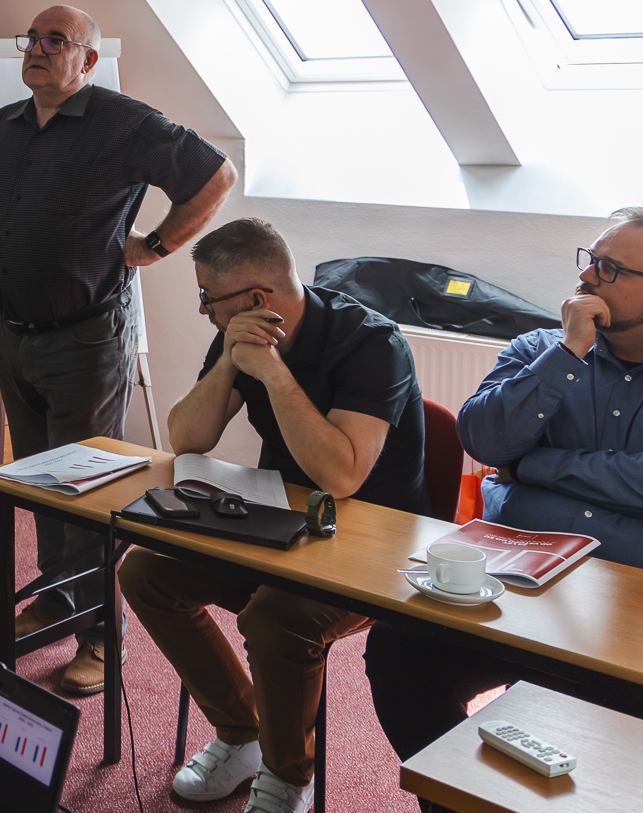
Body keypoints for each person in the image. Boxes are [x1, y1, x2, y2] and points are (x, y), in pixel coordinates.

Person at [363, 207, 643, 813]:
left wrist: (534, 466)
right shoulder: (539, 350)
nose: (587, 276)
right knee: (400, 651)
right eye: (590, 260)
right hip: (520, 588)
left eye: (611, 268)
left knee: (638, 768)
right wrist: (570, 352)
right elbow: (484, 441)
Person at [0, 4, 234, 695]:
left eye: (55, 40)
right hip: (14, 335)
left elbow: (215, 177)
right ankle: (60, 598)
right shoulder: (2, 127)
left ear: (88, 59)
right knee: (40, 482)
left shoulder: (125, 123)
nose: (37, 49)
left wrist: (156, 246)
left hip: (86, 338)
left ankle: (102, 637)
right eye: (31, 39)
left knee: (88, 490)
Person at [120, 218, 427, 813]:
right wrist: (229, 364)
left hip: (376, 547)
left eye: (208, 296)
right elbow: (186, 439)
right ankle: (242, 733)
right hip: (281, 524)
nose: (204, 310)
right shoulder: (237, 335)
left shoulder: (373, 344)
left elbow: (341, 477)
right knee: (145, 572)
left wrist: (272, 371)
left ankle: (288, 775)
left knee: (276, 617)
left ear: (256, 298)